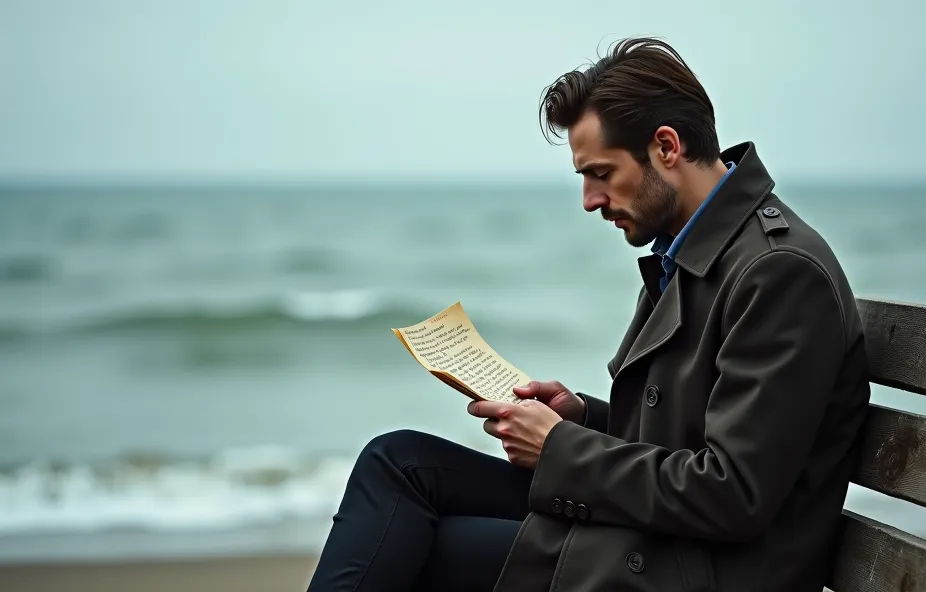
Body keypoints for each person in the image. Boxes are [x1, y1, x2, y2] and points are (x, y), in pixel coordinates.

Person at [306, 36, 871, 592]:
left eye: (600, 173)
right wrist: (579, 419)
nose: (589, 200)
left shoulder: (778, 272)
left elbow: (734, 493)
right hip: (663, 537)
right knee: (398, 460)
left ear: (666, 147)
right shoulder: (692, 247)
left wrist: (559, 448)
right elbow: (681, 441)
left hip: (704, 568)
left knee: (421, 545)